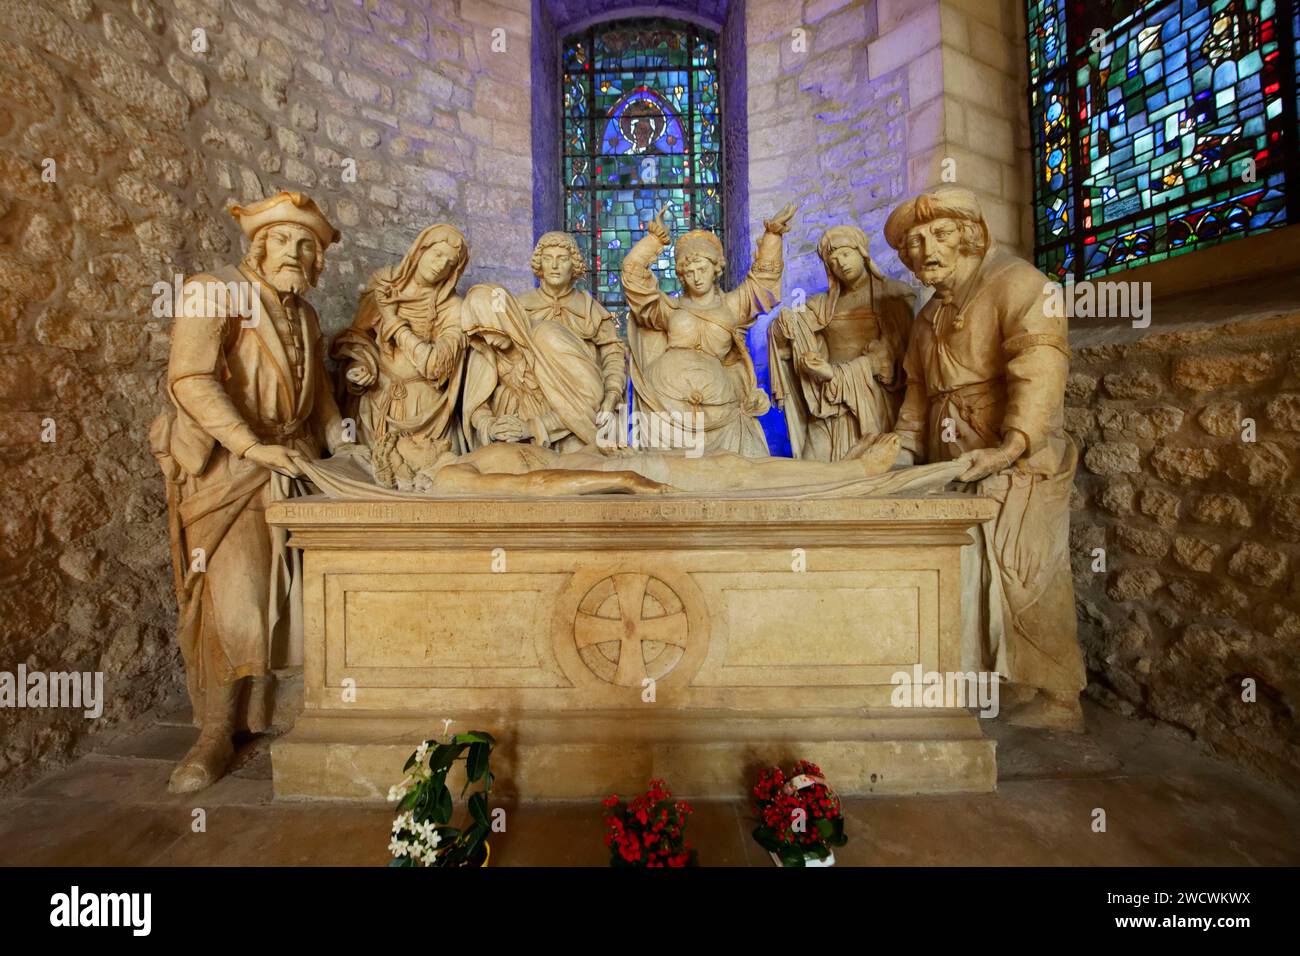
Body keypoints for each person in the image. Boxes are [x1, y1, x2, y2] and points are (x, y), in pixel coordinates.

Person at [150, 191, 364, 792]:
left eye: (308, 246)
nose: (296, 252)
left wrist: (346, 445)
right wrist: (249, 445)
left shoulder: (307, 315)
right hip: (230, 470)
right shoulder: (214, 291)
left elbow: (318, 397)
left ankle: (277, 712)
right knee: (237, 599)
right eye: (283, 241)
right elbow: (190, 379)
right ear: (258, 245)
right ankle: (215, 732)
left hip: (291, 463)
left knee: (294, 599)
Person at [883, 186, 1085, 730]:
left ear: (970, 235)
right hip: (954, 458)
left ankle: (1058, 696)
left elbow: (1039, 364)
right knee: (970, 570)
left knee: (1026, 569)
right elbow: (919, 394)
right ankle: (998, 680)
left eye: (940, 234)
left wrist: (1014, 443)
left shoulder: (1020, 284)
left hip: (1021, 459)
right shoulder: (929, 316)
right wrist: (898, 449)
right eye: (915, 241)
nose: (926, 248)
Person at [622, 204, 796, 456]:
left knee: (741, 473)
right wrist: (654, 240)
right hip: (664, 403)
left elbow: (763, 284)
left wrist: (773, 235)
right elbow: (633, 279)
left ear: (716, 268)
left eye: (702, 269)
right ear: (681, 275)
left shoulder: (733, 306)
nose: (696, 277)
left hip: (721, 410)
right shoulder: (670, 309)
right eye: (689, 272)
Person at [331, 224, 469, 485]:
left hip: (426, 412)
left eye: (450, 264)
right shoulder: (383, 285)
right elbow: (358, 337)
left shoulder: (453, 307)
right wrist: (361, 365)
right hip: (377, 401)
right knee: (374, 479)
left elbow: (435, 366)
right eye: (437, 255)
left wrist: (392, 320)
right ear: (420, 250)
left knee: (420, 485)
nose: (441, 266)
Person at [769, 224, 915, 460]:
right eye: (833, 261)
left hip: (873, 401)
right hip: (829, 401)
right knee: (812, 468)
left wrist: (838, 374)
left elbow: (898, 359)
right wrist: (783, 323)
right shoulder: (823, 304)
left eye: (846, 254)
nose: (841, 264)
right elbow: (786, 333)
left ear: (862, 253)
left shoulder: (893, 295)